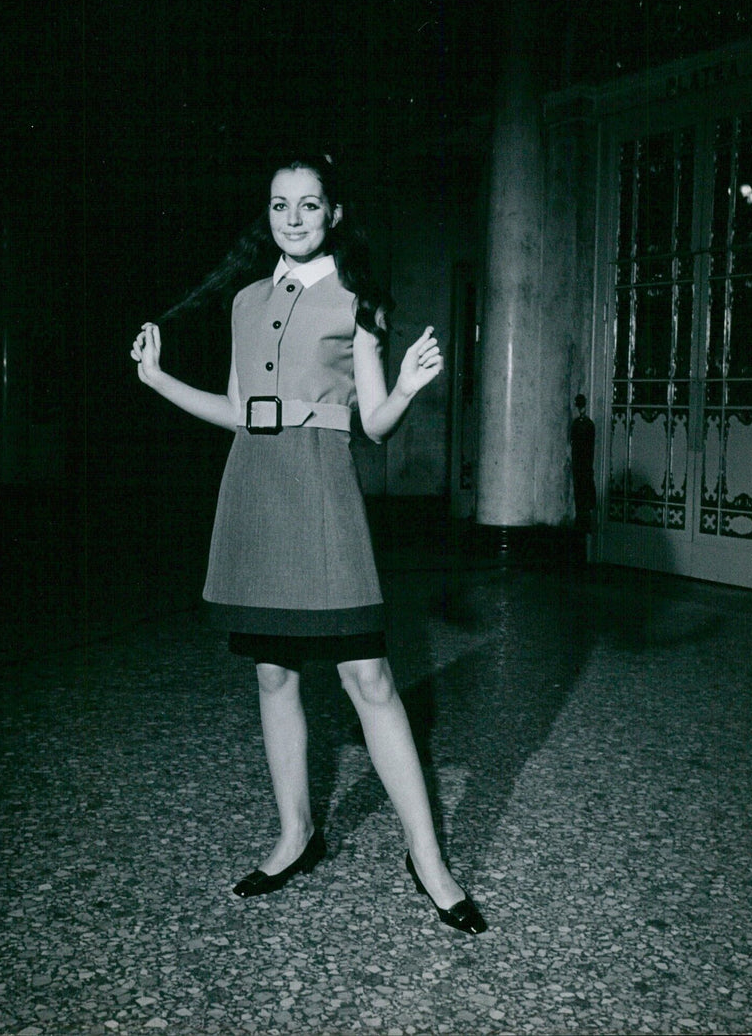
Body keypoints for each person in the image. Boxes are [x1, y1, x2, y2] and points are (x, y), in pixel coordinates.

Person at [130, 153, 486, 935]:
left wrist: (405, 387)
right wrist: (158, 381)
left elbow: (374, 422)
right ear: (268, 213)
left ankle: (428, 857)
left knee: (371, 677)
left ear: (334, 213)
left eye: (308, 205)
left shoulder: (359, 300)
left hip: (323, 493)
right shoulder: (246, 299)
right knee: (272, 673)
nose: (292, 219)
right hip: (252, 487)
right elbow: (235, 408)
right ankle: (296, 834)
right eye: (279, 206)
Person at [571, 393, 596, 531]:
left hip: (583, 466)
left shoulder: (587, 425)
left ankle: (584, 519)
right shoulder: (580, 424)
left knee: (583, 491)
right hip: (581, 466)